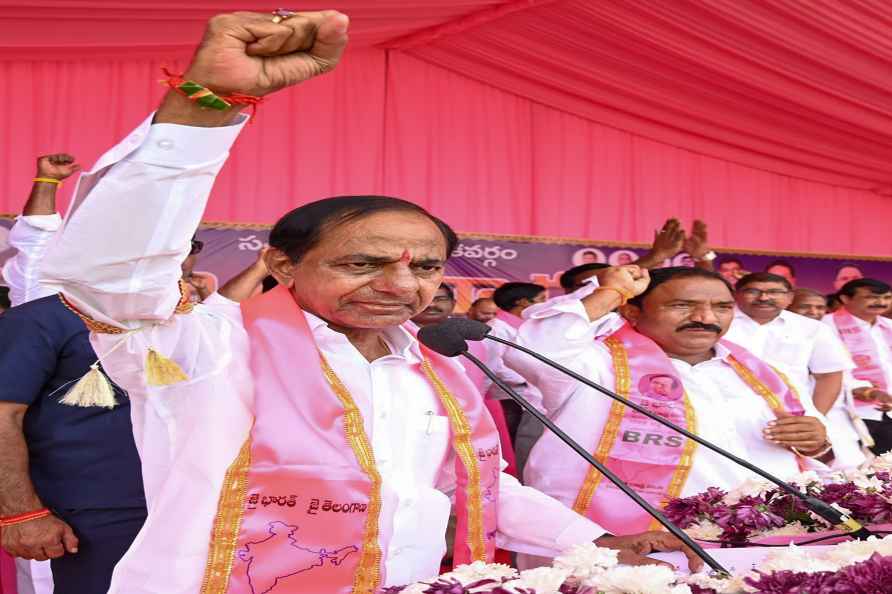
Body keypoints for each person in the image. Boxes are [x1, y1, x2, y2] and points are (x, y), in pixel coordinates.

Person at [35, 11, 697, 593]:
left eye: (427, 268)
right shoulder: (207, 344)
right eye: (362, 263)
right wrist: (208, 108)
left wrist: (592, 542)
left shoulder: (434, 374)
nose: (402, 286)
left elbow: (470, 491)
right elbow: (107, 272)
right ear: (283, 264)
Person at [507, 266, 830, 542]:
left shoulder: (760, 372)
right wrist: (612, 291)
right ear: (632, 311)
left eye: (722, 307)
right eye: (681, 305)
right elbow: (533, 347)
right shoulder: (594, 363)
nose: (705, 318)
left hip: (763, 537)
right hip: (640, 546)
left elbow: (817, 444)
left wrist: (814, 441)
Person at [0, 154, 147, 594]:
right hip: (81, 519)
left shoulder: (187, 323)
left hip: (180, 511)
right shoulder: (41, 318)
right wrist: (20, 513)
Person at [724, 273, 863, 468]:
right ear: (735, 295)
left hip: (788, 418)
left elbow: (829, 376)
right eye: (753, 291)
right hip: (727, 414)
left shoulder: (812, 328)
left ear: (790, 297)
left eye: (774, 292)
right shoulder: (720, 323)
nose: (764, 297)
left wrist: (813, 418)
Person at [825, 279, 892, 454]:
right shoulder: (826, 325)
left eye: (887, 297)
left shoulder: (888, 325)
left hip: (888, 409)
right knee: (858, 469)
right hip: (849, 409)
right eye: (872, 297)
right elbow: (827, 368)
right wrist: (866, 390)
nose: (881, 302)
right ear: (845, 299)